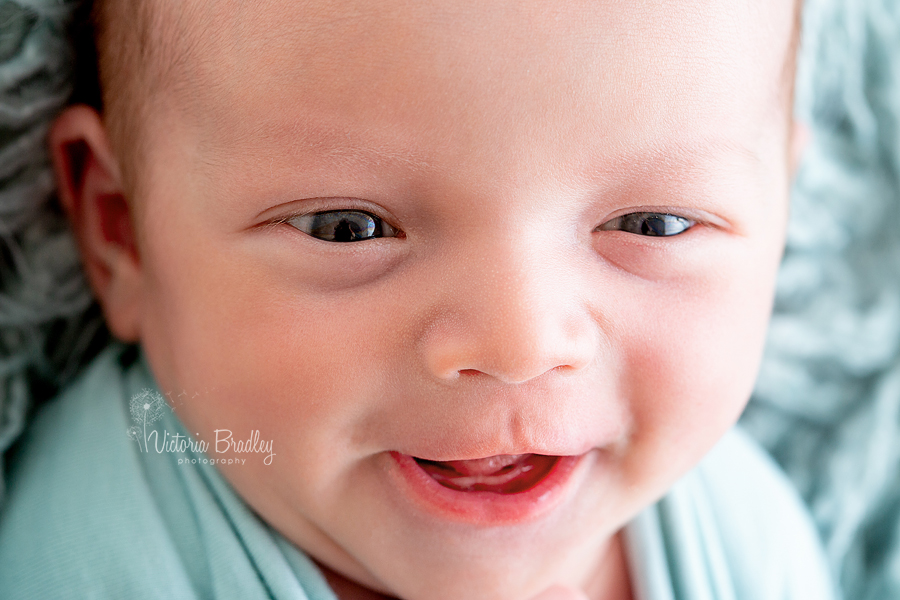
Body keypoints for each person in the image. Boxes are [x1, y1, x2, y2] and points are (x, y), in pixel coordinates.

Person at [0, 1, 836, 599]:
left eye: (653, 222)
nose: (520, 343)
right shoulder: (102, 543)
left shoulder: (747, 533)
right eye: (347, 227)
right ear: (124, 234)